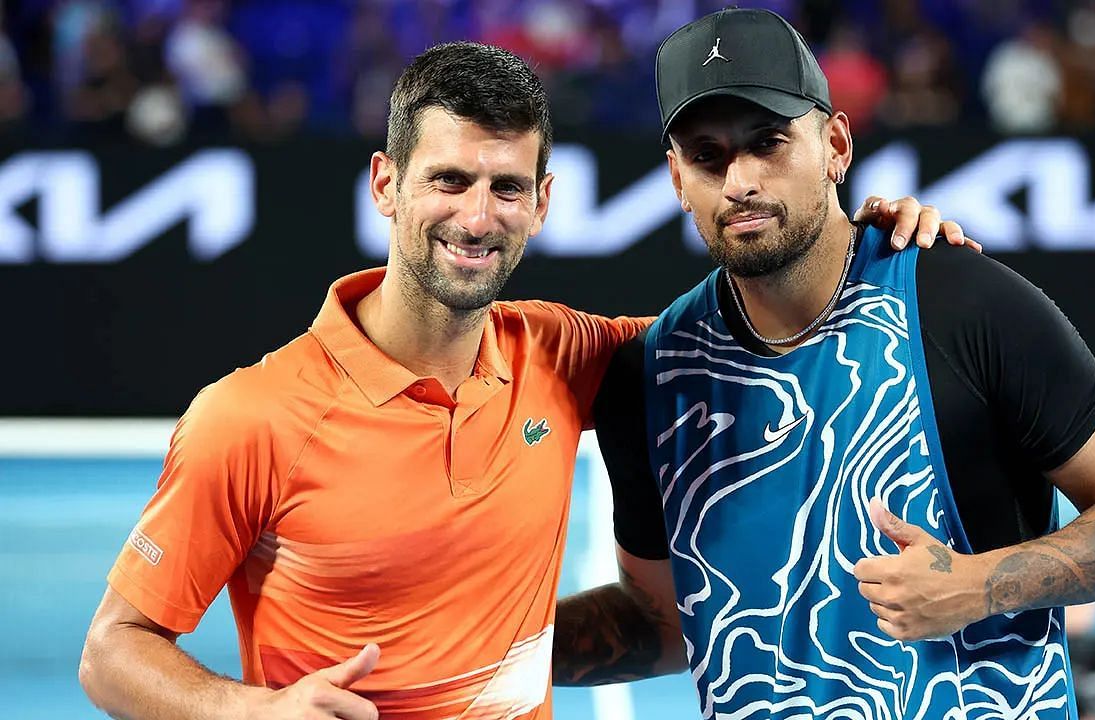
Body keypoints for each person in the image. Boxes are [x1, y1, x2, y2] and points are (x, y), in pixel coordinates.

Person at [77, 41, 965, 720]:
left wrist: (868, 246)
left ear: (543, 203)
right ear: (387, 185)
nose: (476, 217)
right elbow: (113, 651)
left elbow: (763, 324)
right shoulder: (251, 417)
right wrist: (253, 709)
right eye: (450, 180)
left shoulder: (560, 353)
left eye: (507, 187)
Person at [552, 10, 1095, 720]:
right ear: (677, 178)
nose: (738, 180)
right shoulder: (653, 376)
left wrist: (979, 585)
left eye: (769, 143)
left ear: (834, 144)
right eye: (708, 156)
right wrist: (464, 635)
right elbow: (662, 625)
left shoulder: (964, 304)